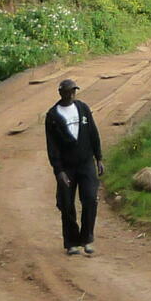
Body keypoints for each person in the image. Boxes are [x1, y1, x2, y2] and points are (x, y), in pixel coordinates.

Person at [45, 77, 104, 256]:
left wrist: (99, 158)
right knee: (66, 204)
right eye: (68, 91)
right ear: (61, 93)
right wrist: (59, 171)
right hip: (67, 167)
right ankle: (71, 242)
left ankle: (87, 239)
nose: (71, 94)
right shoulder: (53, 116)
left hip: (86, 163)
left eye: (74, 91)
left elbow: (93, 133)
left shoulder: (83, 109)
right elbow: (52, 146)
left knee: (90, 199)